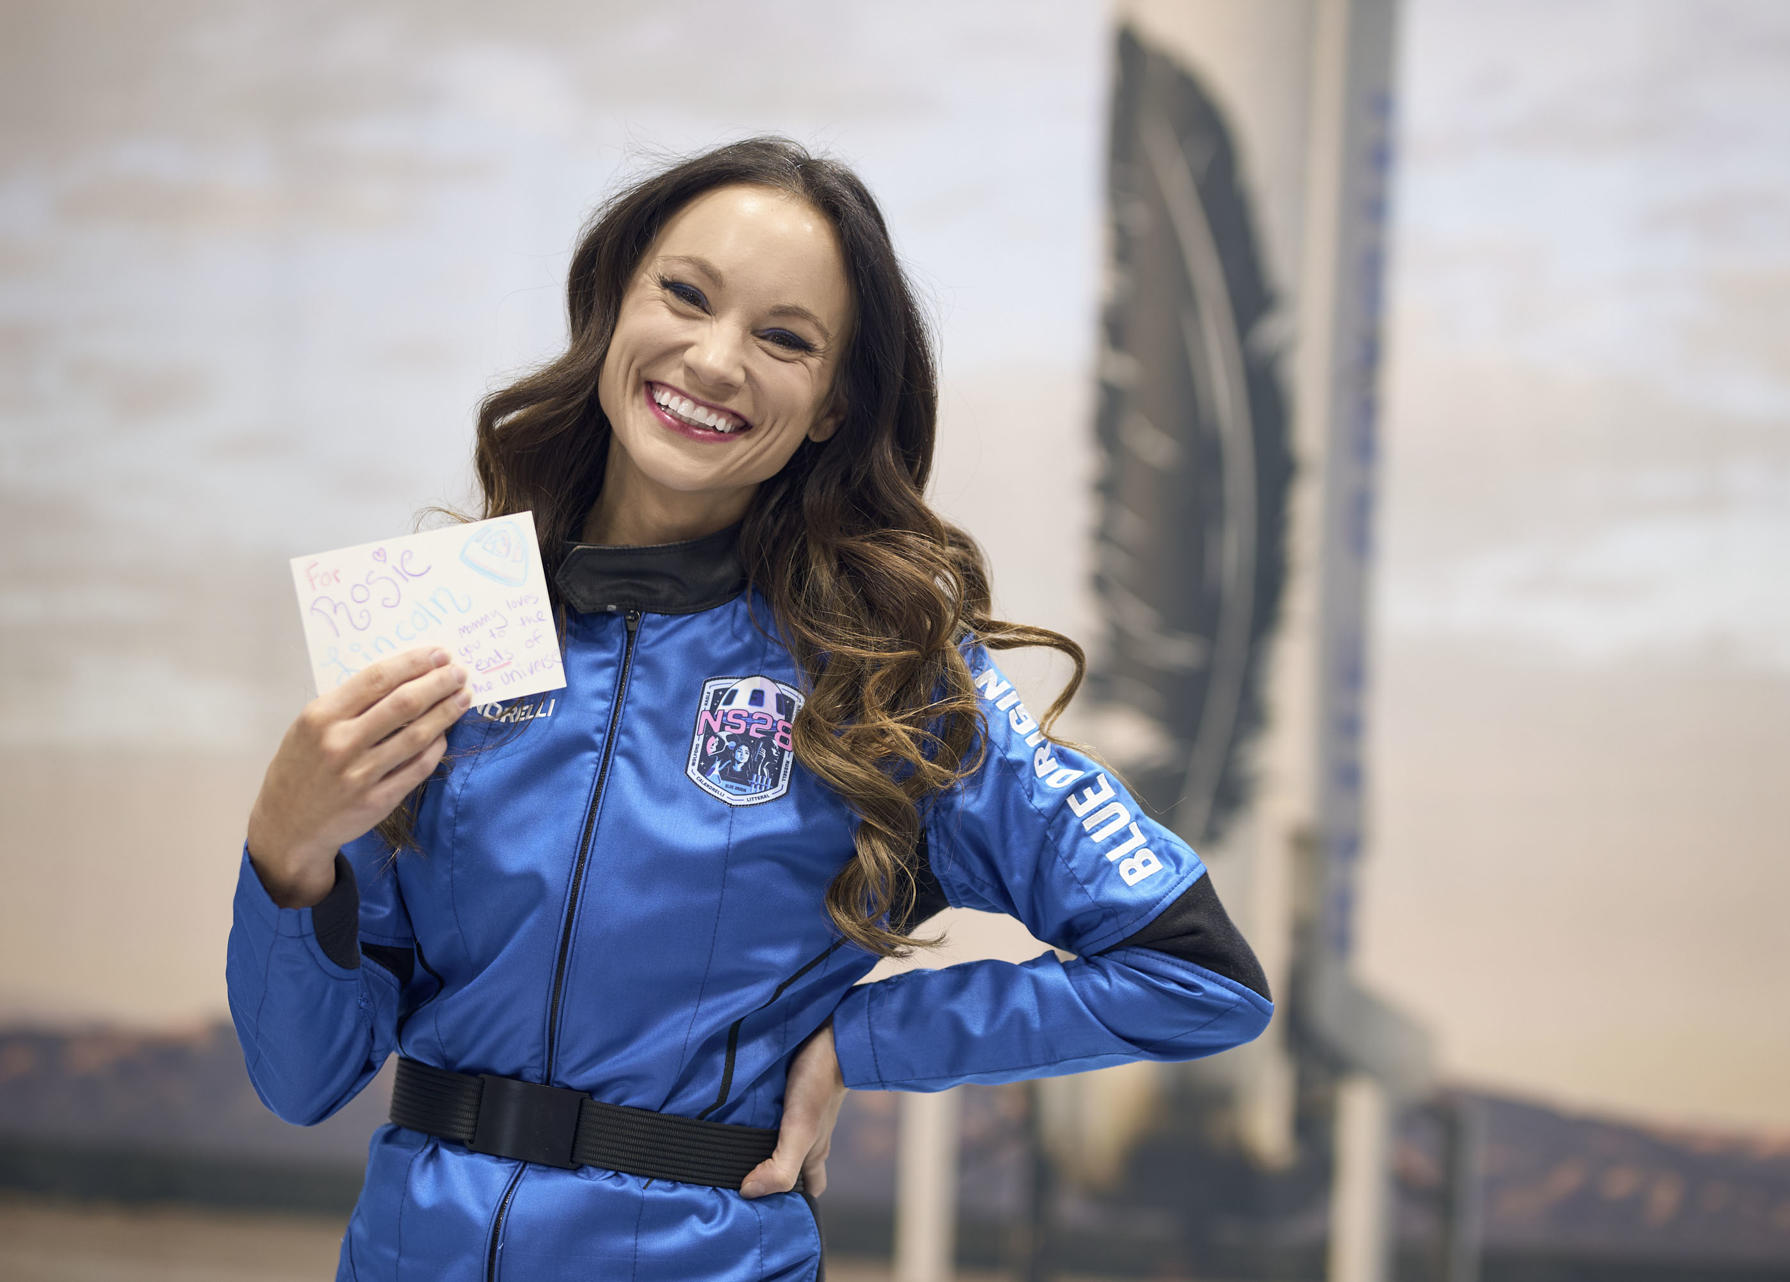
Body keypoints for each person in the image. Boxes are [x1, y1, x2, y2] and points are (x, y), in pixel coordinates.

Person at [228, 137, 1272, 1282]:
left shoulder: (885, 673)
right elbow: (301, 1077)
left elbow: (1197, 975)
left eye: (785, 338)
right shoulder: (447, 623)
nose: (715, 359)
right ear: (614, 309)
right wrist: (286, 853)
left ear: (832, 406)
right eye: (683, 295)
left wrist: (863, 1041)